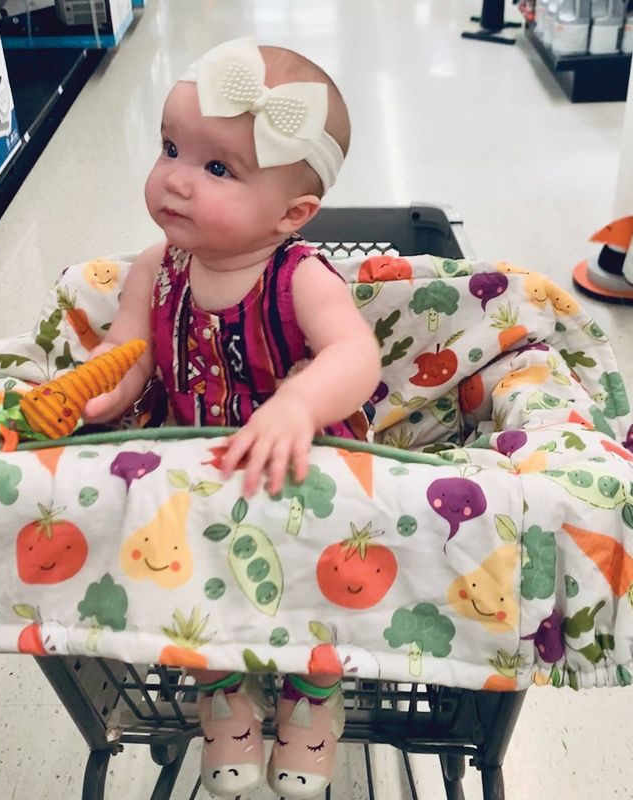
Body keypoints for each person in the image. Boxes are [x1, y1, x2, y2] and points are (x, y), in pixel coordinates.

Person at [81, 36, 381, 799]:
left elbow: (357, 356)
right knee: (187, 580)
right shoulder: (157, 267)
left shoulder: (301, 277)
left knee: (318, 577)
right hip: (195, 464)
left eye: (216, 169)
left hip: (296, 465)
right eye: (170, 147)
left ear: (293, 214)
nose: (175, 181)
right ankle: (226, 701)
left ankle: (313, 703)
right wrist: (106, 393)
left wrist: (299, 403)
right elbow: (133, 349)